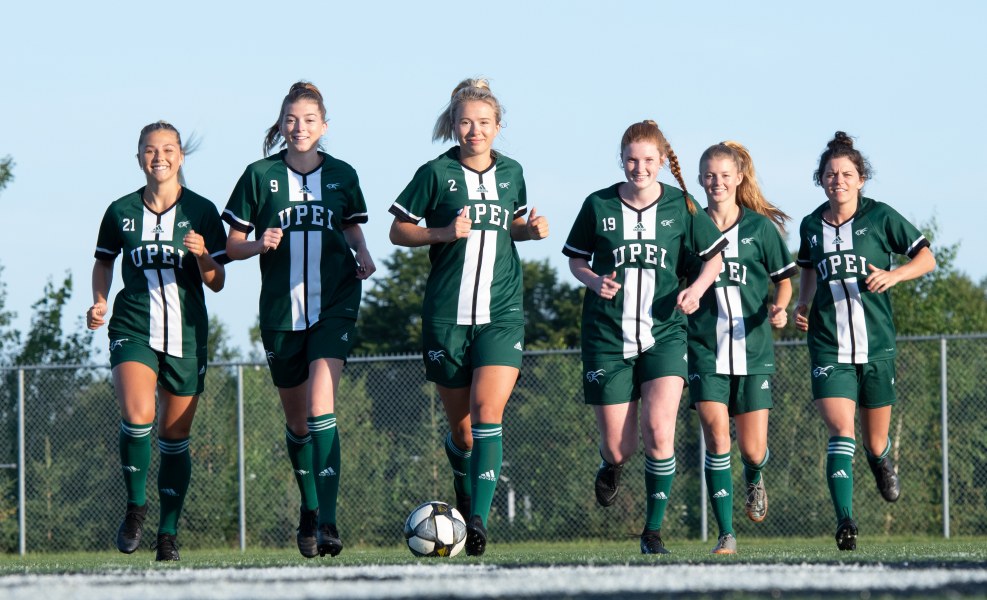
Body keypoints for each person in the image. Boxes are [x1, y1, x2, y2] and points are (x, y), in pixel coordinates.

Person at [389, 77, 549, 557]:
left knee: (488, 416)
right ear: (453, 125)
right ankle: (463, 496)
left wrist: (530, 230)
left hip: (501, 314)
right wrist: (441, 232)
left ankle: (477, 521)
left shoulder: (513, 172)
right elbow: (399, 231)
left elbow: (509, 228)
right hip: (447, 316)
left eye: (483, 122)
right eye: (466, 122)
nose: (474, 130)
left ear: (498, 126)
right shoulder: (435, 173)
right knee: (461, 433)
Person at [223, 81, 375, 559]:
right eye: (291, 119)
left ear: (323, 126)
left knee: (320, 406)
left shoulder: (343, 174)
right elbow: (231, 245)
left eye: (309, 120)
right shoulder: (258, 175)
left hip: (335, 301)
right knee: (297, 423)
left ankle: (328, 521)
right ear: (281, 124)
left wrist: (364, 253)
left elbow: (351, 225)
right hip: (281, 313)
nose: (299, 127)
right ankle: (309, 507)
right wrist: (256, 244)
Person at [563, 120, 726, 554]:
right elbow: (576, 261)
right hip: (607, 337)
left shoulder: (682, 206)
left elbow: (714, 260)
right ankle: (610, 466)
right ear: (621, 160)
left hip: (665, 335)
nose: (640, 167)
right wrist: (593, 281)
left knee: (659, 432)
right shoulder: (597, 205)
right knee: (620, 447)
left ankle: (652, 532)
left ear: (660, 161)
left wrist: (696, 289)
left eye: (648, 160)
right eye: (632, 159)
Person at [89, 121, 229, 561]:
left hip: (186, 333)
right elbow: (103, 263)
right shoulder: (120, 211)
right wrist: (99, 301)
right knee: (137, 415)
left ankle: (167, 533)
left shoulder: (203, 211)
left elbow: (218, 282)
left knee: (175, 435)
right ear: (139, 159)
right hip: (133, 326)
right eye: (150, 150)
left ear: (181, 157)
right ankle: (135, 507)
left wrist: (203, 254)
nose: (159, 157)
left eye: (168, 149)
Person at [793, 131, 935, 551]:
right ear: (820, 179)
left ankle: (880, 461)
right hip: (828, 344)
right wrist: (803, 302)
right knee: (840, 431)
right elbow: (807, 267)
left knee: (874, 442)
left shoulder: (880, 217)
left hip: (876, 345)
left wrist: (894, 275)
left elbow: (926, 256)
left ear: (861, 179)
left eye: (847, 173)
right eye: (831, 174)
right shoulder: (810, 224)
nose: (838, 180)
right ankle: (846, 521)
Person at [684, 141, 796, 555]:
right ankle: (726, 533)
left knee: (752, 449)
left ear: (738, 178)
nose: (716, 182)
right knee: (717, 438)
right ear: (699, 180)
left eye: (724, 175)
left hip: (752, 348)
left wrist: (780, 307)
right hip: (704, 348)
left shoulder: (759, 229)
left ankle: (754, 476)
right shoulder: (690, 224)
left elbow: (784, 279)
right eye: (709, 176)